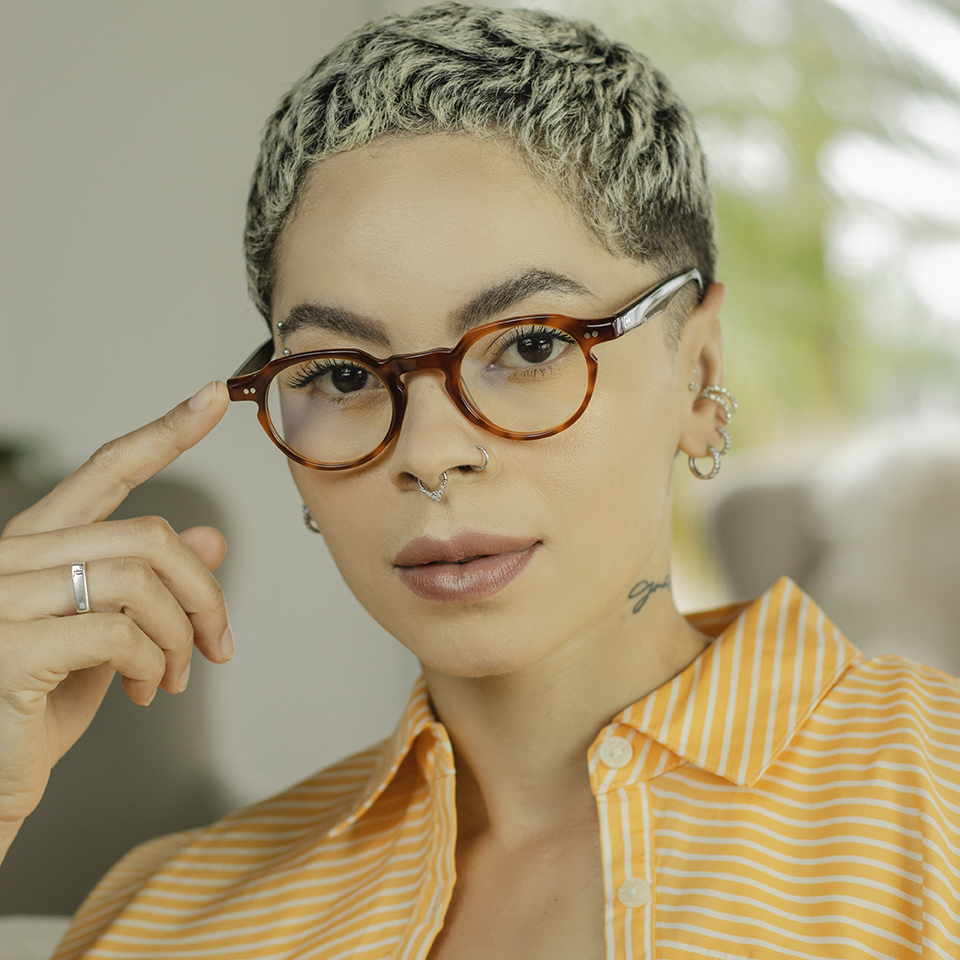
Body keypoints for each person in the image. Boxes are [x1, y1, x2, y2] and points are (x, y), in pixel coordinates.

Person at [1, 3, 957, 957]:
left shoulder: (936, 799)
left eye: (531, 346)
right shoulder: (164, 918)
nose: (427, 452)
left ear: (698, 373)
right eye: (342, 375)